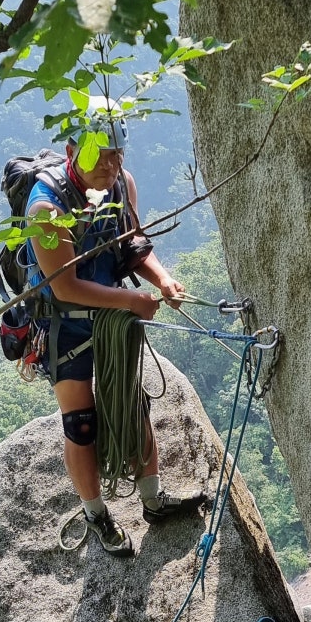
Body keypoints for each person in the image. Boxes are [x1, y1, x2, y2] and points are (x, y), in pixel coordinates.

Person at [25, 110, 204, 554]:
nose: (110, 165)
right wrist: (130, 301)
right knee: (82, 425)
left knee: (132, 403)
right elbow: (63, 284)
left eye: (117, 155)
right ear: (71, 153)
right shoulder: (46, 209)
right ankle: (97, 516)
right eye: (100, 156)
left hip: (112, 318)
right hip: (63, 324)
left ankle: (152, 499)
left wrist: (162, 280)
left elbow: (133, 245)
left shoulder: (120, 183)